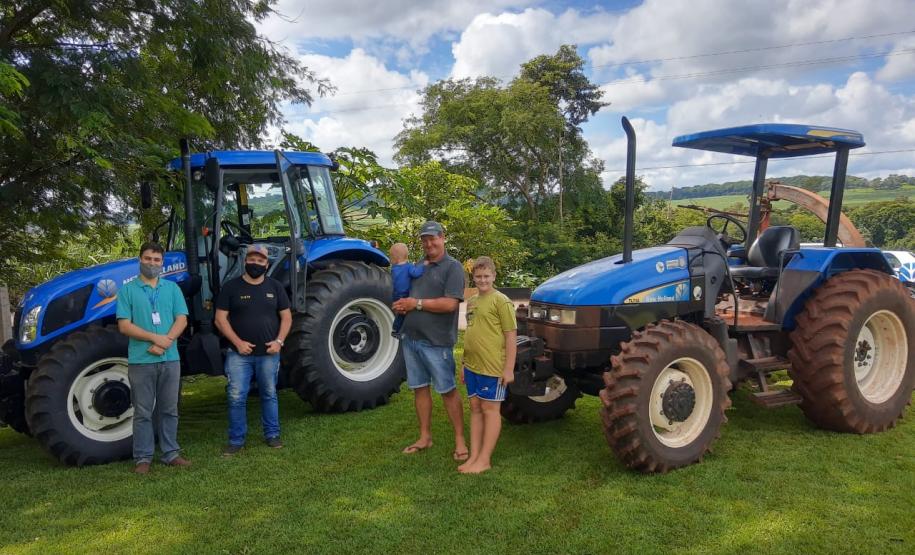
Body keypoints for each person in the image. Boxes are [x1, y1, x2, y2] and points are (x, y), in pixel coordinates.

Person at [393, 221, 468, 461]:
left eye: (433, 238)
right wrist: (402, 306)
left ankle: (460, 440)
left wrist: (416, 304)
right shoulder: (418, 266)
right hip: (411, 339)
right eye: (425, 240)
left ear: (443, 238)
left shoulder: (452, 267)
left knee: (447, 391)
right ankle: (425, 437)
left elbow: (450, 304)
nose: (429, 243)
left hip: (436, 342)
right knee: (419, 389)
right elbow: (409, 295)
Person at [116, 241, 190, 474]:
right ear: (140, 260)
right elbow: (124, 326)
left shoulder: (172, 289)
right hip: (141, 360)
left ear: (162, 263)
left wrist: (166, 340)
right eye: (148, 259)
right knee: (143, 412)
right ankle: (143, 458)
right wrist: (154, 338)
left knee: (170, 409)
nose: (152, 263)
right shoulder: (127, 290)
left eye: (157, 260)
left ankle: (171, 453)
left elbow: (182, 319)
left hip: (170, 359)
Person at [214, 244, 292, 455]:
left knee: (269, 393)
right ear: (245, 261)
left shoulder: (275, 287)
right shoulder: (231, 287)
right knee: (237, 396)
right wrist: (238, 343)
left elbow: (286, 317)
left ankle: (273, 435)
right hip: (238, 354)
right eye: (252, 260)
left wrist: (279, 342)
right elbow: (220, 319)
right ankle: (236, 440)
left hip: (269, 354)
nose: (255, 264)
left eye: (260, 261)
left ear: (266, 264)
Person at [458, 256, 517, 474]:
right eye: (478, 276)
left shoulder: (501, 301)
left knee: (490, 410)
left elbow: (511, 336)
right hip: (472, 365)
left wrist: (508, 368)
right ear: (473, 277)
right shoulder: (472, 301)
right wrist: (464, 363)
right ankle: (474, 456)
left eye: (486, 276)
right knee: (474, 409)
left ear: (493, 276)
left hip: (493, 367)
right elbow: (471, 333)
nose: (482, 280)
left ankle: (484, 459)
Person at [389, 242, 425, 337]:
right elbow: (416, 274)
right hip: (405, 294)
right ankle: (401, 330)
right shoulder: (409, 267)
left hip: (396, 294)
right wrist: (423, 266)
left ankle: (395, 329)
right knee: (404, 313)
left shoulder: (393, 269)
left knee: (399, 312)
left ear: (395, 258)